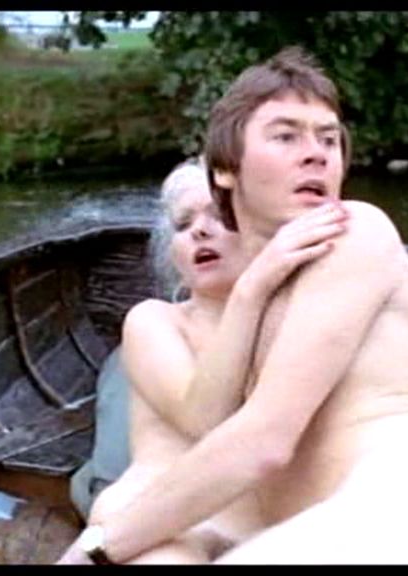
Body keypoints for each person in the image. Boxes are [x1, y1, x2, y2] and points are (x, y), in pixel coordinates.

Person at [64, 46, 408, 564]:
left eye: (329, 139)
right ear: (226, 168)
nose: (317, 154)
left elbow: (262, 442)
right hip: (311, 527)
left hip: (399, 521)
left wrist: (96, 548)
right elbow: (211, 423)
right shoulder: (249, 295)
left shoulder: (355, 232)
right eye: (286, 136)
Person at [57, 156, 349, 563]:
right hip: (157, 520)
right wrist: (252, 288)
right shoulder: (153, 321)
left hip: (266, 520)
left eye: (220, 215)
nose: (199, 230)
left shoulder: (299, 321)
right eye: (182, 224)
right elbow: (205, 420)